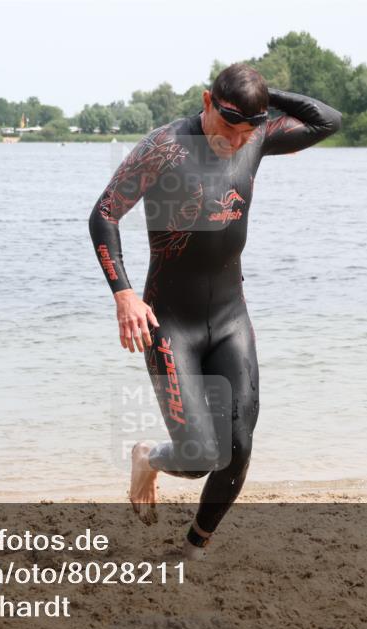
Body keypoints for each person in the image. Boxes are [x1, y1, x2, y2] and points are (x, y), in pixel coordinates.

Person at [88, 63, 341, 559]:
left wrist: (257, 104)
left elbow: (326, 120)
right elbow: (104, 214)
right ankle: (148, 456)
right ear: (207, 101)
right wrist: (123, 294)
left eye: (247, 130)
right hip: (169, 323)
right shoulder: (164, 148)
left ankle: (193, 547)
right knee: (201, 454)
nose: (235, 140)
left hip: (229, 318)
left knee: (239, 446)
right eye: (228, 125)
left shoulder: (256, 134)